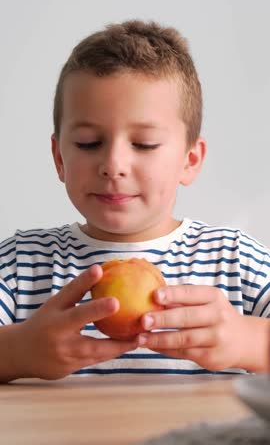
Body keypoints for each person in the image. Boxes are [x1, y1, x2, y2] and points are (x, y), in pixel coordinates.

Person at [0, 20, 269, 383]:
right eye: (88, 143)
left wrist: (254, 342)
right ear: (59, 158)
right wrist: (15, 352)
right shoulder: (22, 265)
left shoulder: (234, 260)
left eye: (143, 144)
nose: (113, 166)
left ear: (189, 161)